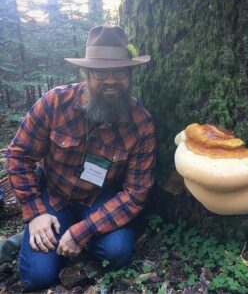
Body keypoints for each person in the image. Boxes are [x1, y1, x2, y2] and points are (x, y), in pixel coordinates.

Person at [6, 25, 156, 291]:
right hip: (53, 195)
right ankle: (41, 233)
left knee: (118, 253)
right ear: (86, 73)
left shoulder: (141, 124)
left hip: (98, 199)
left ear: (130, 75)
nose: (110, 80)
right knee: (37, 277)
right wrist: (35, 212)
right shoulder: (55, 103)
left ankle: (71, 234)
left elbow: (135, 193)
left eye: (119, 72)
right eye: (100, 72)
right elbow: (19, 155)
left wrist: (82, 230)